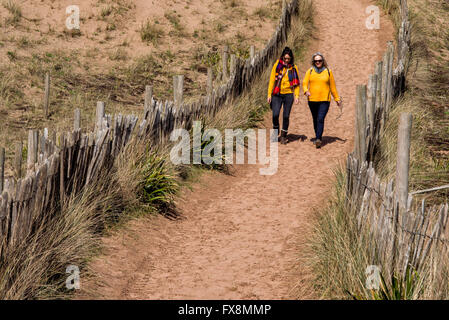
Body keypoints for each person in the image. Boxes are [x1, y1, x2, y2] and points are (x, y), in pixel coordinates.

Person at [302, 52, 341, 148]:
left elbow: (333, 87)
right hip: (312, 100)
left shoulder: (328, 71)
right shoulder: (310, 71)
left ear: (323, 61)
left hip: (325, 100)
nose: (318, 62)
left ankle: (318, 139)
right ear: (313, 62)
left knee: (320, 118)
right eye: (316, 61)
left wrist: (337, 99)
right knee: (315, 119)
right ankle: (317, 136)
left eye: (319, 60)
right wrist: (306, 91)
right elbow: (304, 83)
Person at [267, 47, 300, 144]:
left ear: (291, 58)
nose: (286, 60)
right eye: (285, 58)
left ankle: (283, 136)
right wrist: (269, 94)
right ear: (282, 57)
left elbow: (296, 84)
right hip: (277, 94)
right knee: (275, 114)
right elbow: (272, 80)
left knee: (286, 116)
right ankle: (275, 131)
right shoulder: (277, 65)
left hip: (289, 95)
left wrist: (296, 96)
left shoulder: (294, 68)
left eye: (288, 59)